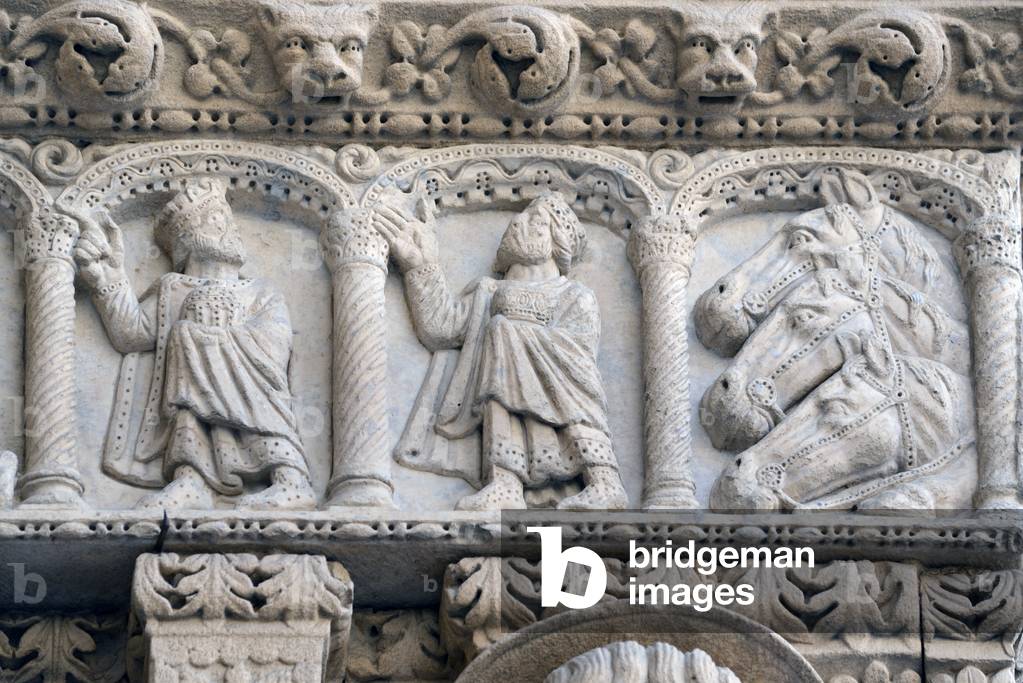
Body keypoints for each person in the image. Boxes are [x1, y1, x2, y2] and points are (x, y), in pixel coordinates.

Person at [72, 178, 315, 510]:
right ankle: (192, 479)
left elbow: (276, 341)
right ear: (187, 236)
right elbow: (132, 334)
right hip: (192, 378)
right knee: (187, 336)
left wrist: (214, 338)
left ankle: (291, 480)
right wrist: (106, 279)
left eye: (228, 220)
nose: (230, 228)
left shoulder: (260, 290)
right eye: (216, 218)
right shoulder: (173, 288)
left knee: (191, 334)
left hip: (255, 381)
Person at [376, 193, 628, 510]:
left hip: (565, 390)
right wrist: (421, 265)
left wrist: (514, 335)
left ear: (557, 242)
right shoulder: (488, 291)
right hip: (502, 373)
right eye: (519, 218)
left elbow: (577, 359)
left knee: (503, 336)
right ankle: (505, 482)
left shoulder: (574, 295)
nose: (518, 222)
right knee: (499, 341)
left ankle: (605, 481)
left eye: (535, 221)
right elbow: (441, 329)